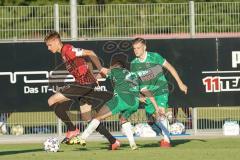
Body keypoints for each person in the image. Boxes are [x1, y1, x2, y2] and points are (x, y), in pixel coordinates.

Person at [44, 31, 120, 150]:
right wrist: (91, 74)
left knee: (52, 100)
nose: (48, 48)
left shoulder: (68, 49)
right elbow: (86, 61)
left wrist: (100, 69)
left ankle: (72, 130)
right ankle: (113, 141)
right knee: (87, 118)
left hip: (83, 84)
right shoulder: (64, 53)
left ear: (55, 41)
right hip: (86, 84)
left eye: (49, 45)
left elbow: (90, 53)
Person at [73, 54, 140, 150]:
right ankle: (133, 144)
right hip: (134, 103)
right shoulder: (132, 74)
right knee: (123, 119)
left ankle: (82, 137)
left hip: (121, 99)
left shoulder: (116, 70)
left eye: (111, 66)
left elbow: (103, 71)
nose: (110, 68)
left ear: (115, 66)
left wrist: (92, 78)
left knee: (97, 117)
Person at [130, 37, 188, 147]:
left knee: (160, 113)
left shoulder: (155, 57)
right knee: (151, 121)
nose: (136, 50)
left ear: (144, 47)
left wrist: (180, 83)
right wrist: (138, 95)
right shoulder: (134, 64)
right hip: (147, 93)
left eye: (138, 48)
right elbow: (133, 83)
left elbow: (170, 67)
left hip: (161, 89)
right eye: (134, 48)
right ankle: (165, 133)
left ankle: (167, 141)